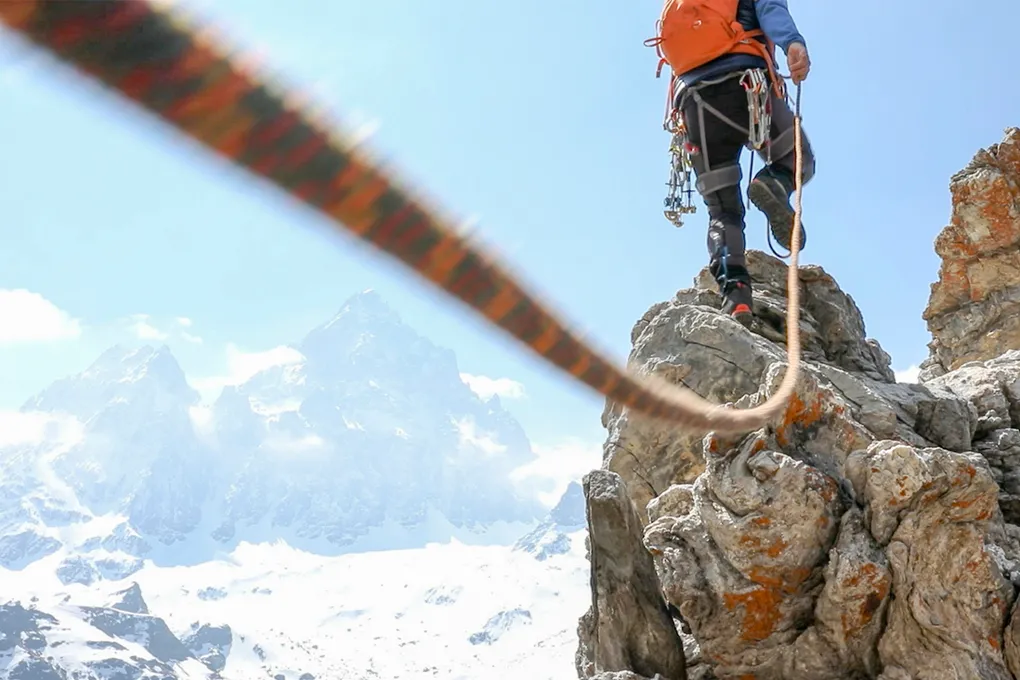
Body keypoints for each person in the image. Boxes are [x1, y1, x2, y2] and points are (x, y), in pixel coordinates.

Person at [649, 0, 815, 327]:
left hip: (693, 100)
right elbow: (771, 10)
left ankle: (736, 299)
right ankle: (772, 183)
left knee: (723, 211)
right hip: (745, 80)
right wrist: (793, 42)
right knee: (798, 160)